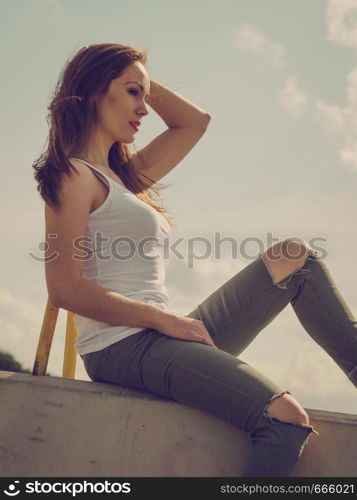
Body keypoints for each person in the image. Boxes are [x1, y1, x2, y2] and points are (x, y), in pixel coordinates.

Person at [33, 43, 356, 477]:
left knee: (296, 259)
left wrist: (140, 80)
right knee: (284, 417)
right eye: (132, 93)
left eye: (144, 96)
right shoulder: (72, 174)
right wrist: (164, 321)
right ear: (95, 89)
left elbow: (194, 122)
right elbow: (65, 289)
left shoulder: (124, 178)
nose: (144, 109)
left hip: (160, 336)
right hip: (121, 347)